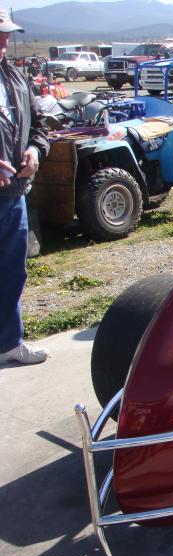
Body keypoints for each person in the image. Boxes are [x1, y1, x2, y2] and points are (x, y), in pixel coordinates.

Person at [0, 7, 50, 365]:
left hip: (12, 195)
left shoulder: (15, 78)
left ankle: (9, 342)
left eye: (6, 33)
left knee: (12, 271)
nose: (4, 40)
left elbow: (41, 125)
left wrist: (35, 150)